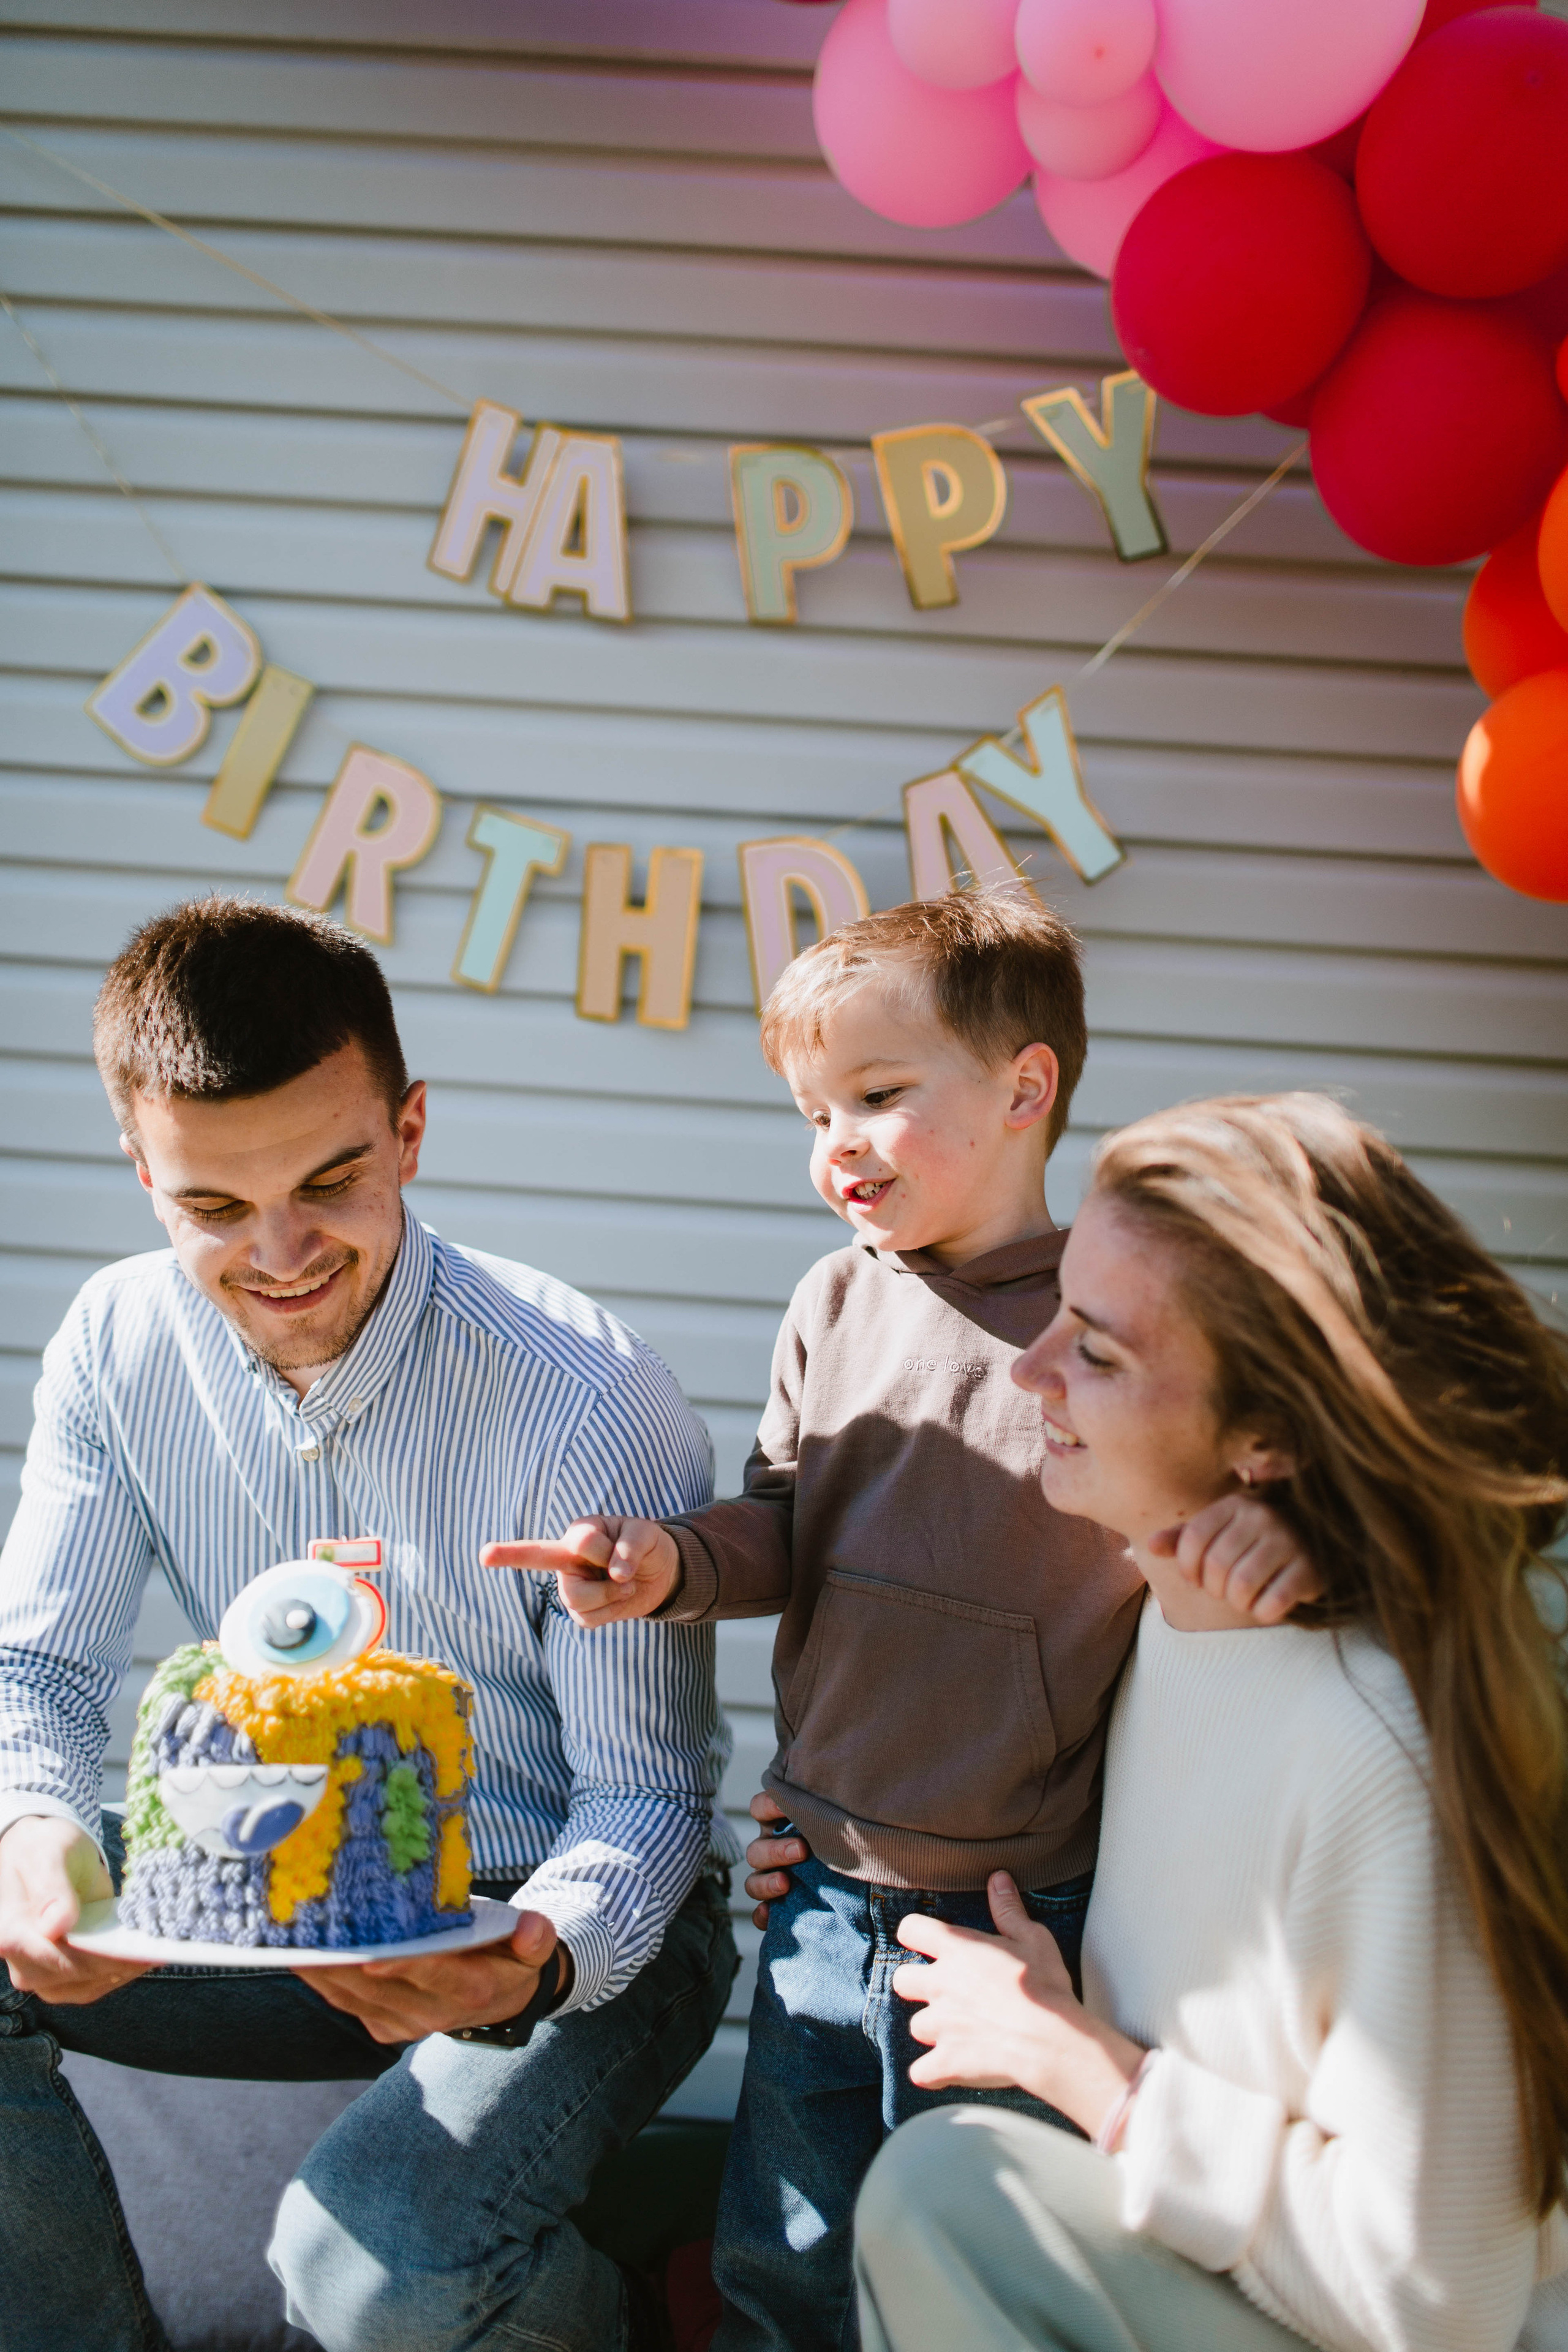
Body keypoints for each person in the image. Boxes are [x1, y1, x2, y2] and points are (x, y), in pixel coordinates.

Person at [489, 894, 1319, 2352]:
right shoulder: (830, 1301)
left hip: (1019, 1915)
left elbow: (1247, 1484)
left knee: (963, 2262)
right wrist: (667, 1562)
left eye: (877, 1096)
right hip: (818, 1881)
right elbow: (787, 1523)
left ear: (1022, 1089)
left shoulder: (1107, 1320)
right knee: (786, 2256)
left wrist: (1284, 1523)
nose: (838, 1145)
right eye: (815, 1112)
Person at [0, 897, 739, 2352]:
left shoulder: (586, 1396)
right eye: (212, 1208)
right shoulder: (111, 1340)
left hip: (566, 1914)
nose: (278, 1254)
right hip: (265, 1899)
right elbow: (35, 1666)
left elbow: (647, 1800)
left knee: (377, 2264)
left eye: (330, 1184)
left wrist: (529, 1950)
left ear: (409, 1131)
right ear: (141, 1168)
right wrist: (31, 1830)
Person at [853, 1091, 1568, 2352]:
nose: (1029, 1370)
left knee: (958, 2191)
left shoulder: (1374, 1749)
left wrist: (1084, 2067)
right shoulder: (1165, 1606)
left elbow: (1438, 2303)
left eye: (1100, 1350)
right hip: (1213, 2284)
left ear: (1266, 1439)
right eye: (1057, 1310)